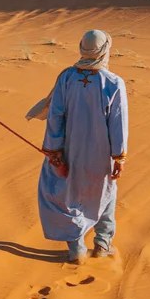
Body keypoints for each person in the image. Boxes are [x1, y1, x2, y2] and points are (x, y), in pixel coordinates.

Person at [30, 29, 128, 262]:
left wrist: (55, 153)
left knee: (67, 196)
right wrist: (119, 157)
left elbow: (56, 116)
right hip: (99, 154)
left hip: (68, 151)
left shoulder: (66, 77)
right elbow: (118, 123)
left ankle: (76, 250)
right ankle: (102, 244)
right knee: (105, 192)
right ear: (105, 50)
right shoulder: (114, 83)